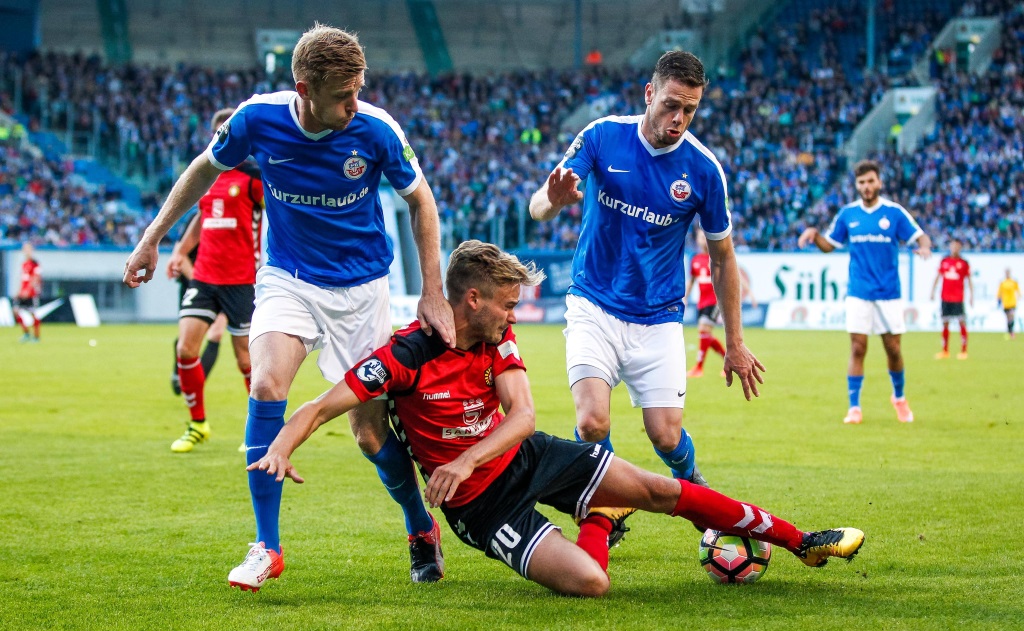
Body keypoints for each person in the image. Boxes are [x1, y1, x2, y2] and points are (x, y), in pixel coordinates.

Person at [247, 240, 864, 597]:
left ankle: (800, 541)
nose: (515, 314)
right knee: (592, 583)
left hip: (526, 456)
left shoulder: (498, 341)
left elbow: (523, 418)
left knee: (662, 489)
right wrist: (282, 446)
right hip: (481, 509)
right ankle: (600, 513)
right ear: (472, 299)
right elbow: (322, 406)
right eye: (508, 303)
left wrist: (463, 458)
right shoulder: (407, 354)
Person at [123, 24, 456, 587]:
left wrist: (432, 292)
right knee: (266, 386)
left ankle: (419, 524)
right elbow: (203, 169)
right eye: (341, 96)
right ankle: (267, 546)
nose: (354, 106)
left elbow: (420, 199)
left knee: (369, 434)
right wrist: (153, 236)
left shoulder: (376, 130)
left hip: (362, 290)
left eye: (358, 91)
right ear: (304, 87)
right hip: (288, 278)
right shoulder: (257, 119)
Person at [527, 51, 765, 532]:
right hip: (593, 302)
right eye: (672, 105)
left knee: (665, 435)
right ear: (649, 94)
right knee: (592, 422)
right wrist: (551, 201)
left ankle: (689, 478)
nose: (678, 119)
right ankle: (609, 508)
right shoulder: (601, 135)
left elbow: (722, 257)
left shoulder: (703, 169)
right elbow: (538, 206)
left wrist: (735, 342)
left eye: (690, 110)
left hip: (657, 316)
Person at [161, 107, 265, 453]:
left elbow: (282, 214)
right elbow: (200, 219)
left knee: (246, 362)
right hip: (204, 276)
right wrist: (180, 250)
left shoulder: (254, 178)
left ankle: (257, 431)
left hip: (241, 280)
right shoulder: (206, 177)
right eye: (221, 132)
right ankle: (197, 425)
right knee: (185, 348)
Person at [798, 159, 932, 425]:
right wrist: (814, 234)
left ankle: (899, 397)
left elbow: (920, 236)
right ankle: (855, 407)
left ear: (879, 182)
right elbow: (830, 245)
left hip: (888, 292)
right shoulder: (848, 214)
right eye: (862, 182)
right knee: (858, 347)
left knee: (893, 349)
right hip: (858, 291)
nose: (867, 186)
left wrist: (925, 246)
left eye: (871, 181)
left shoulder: (894, 213)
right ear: (857, 185)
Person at [167, 210, 226, 397]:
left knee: (216, 334)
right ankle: (181, 375)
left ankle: (193, 389)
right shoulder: (199, 217)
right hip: (192, 285)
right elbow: (180, 255)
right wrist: (201, 285)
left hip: (225, 286)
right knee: (187, 340)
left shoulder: (240, 216)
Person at [684, 229, 757, 378]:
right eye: (700, 237)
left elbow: (735, 275)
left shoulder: (716, 257)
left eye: (705, 236)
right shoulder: (696, 259)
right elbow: (691, 281)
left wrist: (749, 292)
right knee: (706, 334)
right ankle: (729, 360)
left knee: (703, 330)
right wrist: (685, 297)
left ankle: (698, 368)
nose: (703, 239)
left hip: (716, 301)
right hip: (702, 302)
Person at [929, 239, 972, 360]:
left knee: (961, 322)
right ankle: (945, 351)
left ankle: (964, 350)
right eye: (953, 246)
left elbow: (969, 280)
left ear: (960, 248)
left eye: (957, 246)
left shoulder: (964, 263)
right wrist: (932, 291)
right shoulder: (945, 261)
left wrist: (972, 296)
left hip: (958, 297)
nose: (954, 248)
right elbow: (938, 276)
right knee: (945, 323)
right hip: (945, 297)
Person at [13, 243, 42, 343]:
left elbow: (35, 278)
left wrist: (28, 290)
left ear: (31, 250)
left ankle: (36, 336)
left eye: (28, 249)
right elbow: (22, 280)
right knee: (16, 311)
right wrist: (19, 291)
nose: (26, 251)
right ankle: (26, 333)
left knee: (33, 314)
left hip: (31, 293)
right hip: (22, 292)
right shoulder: (24, 264)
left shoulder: (35, 263)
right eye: (24, 249)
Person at [997, 269, 1020, 340]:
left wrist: (1019, 297)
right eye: (1006, 273)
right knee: (1008, 318)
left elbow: (1018, 291)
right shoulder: (1002, 282)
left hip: (1012, 302)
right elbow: (999, 292)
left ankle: (1011, 332)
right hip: (1006, 303)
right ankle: (1009, 332)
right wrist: (998, 300)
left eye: (1008, 272)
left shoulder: (1013, 282)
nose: (1007, 274)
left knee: (1011, 316)